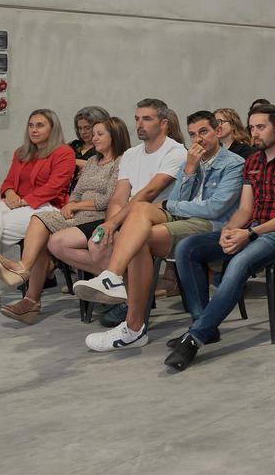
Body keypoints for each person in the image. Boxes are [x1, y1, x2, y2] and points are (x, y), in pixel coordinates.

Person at [73, 112, 247, 351]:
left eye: (204, 132)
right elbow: (177, 197)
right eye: (193, 134)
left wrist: (171, 206)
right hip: (183, 219)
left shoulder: (234, 163)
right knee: (141, 211)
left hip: (211, 226)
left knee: (138, 235)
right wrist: (189, 170)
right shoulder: (191, 160)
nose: (198, 139)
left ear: (217, 132)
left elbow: (215, 208)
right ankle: (115, 282)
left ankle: (132, 326)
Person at [161, 104, 275, 371]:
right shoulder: (253, 162)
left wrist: (249, 233)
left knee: (239, 262)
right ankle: (204, 326)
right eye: (252, 127)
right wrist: (228, 231)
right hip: (252, 229)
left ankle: (194, 338)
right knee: (188, 247)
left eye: (261, 127)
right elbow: (245, 210)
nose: (254, 133)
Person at [55, 99, 188, 327]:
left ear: (164, 123)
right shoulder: (131, 154)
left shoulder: (176, 151)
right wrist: (111, 227)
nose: (139, 124)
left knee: (137, 214)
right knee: (61, 242)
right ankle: (121, 288)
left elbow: (149, 193)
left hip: (160, 214)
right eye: (137, 118)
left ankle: (119, 287)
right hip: (127, 215)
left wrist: (114, 223)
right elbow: (119, 196)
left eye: (147, 119)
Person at [0, 117, 130, 324]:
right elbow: (77, 191)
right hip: (78, 214)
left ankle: (28, 291)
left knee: (44, 231)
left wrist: (76, 206)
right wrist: (70, 204)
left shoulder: (121, 161)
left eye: (100, 134)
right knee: (39, 219)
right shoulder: (92, 161)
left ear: (114, 136)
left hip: (101, 215)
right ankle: (25, 279)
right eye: (94, 133)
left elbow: (109, 198)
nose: (94, 138)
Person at [0, 109, 75, 317]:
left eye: (40, 125)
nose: (34, 130)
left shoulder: (63, 152)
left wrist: (23, 200)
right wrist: (11, 192)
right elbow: (8, 182)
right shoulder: (22, 152)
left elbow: (55, 186)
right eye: (31, 125)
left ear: (53, 128)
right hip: (17, 205)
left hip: (46, 208)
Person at [70, 106, 110, 170]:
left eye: (87, 128)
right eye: (80, 128)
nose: (83, 132)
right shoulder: (73, 145)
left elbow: (103, 168)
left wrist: (70, 161)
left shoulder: (104, 148)